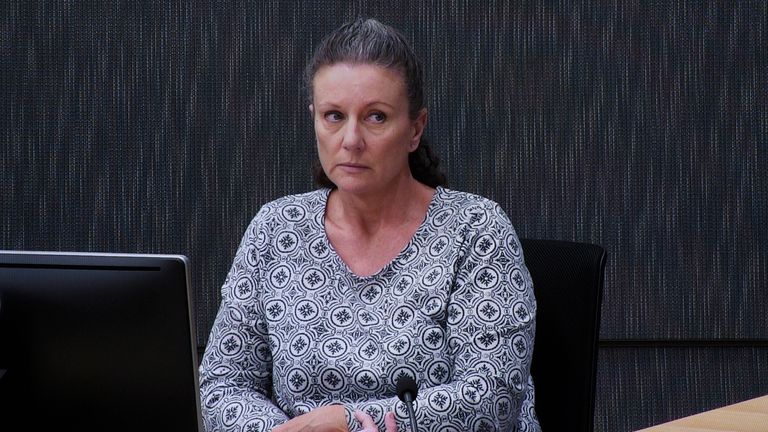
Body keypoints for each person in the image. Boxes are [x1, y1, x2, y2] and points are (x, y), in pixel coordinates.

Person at [199, 18, 541, 432]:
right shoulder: (275, 228)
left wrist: (348, 423)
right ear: (315, 120)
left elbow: (492, 397)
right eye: (333, 116)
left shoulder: (475, 228)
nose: (351, 140)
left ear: (415, 129)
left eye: (376, 117)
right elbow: (223, 383)